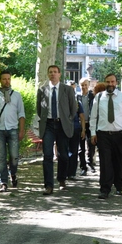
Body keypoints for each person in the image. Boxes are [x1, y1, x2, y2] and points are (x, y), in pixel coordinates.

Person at [90, 73, 122, 199]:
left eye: (113, 82)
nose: (110, 84)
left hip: (119, 135)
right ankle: (105, 189)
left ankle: (119, 185)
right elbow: (93, 117)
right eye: (108, 82)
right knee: (105, 162)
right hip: (103, 135)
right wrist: (93, 133)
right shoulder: (99, 97)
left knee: (118, 162)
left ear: (116, 82)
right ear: (105, 83)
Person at [36, 65, 77, 195]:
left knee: (63, 155)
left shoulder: (67, 90)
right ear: (48, 74)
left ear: (60, 74)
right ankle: (48, 185)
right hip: (48, 125)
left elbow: (73, 107)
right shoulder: (42, 90)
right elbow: (39, 108)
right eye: (50, 72)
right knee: (47, 155)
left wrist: (67, 119)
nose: (53, 74)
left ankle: (62, 179)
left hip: (62, 125)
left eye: (55, 72)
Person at [0, 70, 26, 192]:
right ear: (0, 80)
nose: (7, 81)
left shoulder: (17, 95)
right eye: (4, 79)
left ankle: (13, 174)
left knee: (14, 157)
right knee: (1, 158)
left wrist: (21, 130)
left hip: (13, 129)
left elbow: (21, 113)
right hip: (0, 131)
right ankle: (3, 183)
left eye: (8, 79)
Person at [67, 88, 86, 179]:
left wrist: (83, 130)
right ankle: (68, 172)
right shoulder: (63, 103)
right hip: (65, 130)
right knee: (67, 151)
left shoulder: (78, 104)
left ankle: (71, 173)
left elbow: (82, 117)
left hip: (75, 129)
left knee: (73, 151)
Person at [78, 77, 95, 175]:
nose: (84, 87)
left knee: (91, 144)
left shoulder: (92, 96)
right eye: (82, 85)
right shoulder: (77, 97)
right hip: (80, 124)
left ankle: (90, 163)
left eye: (85, 85)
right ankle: (83, 166)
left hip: (90, 123)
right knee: (81, 147)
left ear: (88, 85)